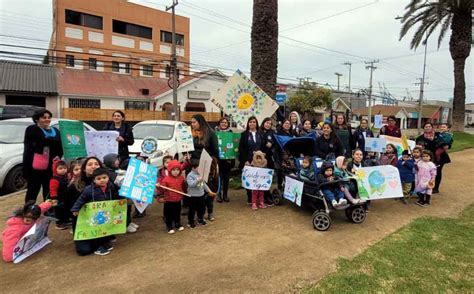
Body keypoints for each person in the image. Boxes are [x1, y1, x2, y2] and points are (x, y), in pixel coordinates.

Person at [71, 168, 119, 256]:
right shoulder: (89, 190)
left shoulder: (110, 186)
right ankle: (98, 247)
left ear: (108, 177)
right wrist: (75, 209)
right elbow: (81, 199)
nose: (102, 180)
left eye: (104, 177)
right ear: (94, 180)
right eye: (99, 179)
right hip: (93, 214)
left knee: (105, 229)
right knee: (96, 230)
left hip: (106, 212)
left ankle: (104, 243)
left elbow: (115, 195)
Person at [23, 109, 63, 203]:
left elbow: (60, 145)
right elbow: (41, 142)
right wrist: (52, 139)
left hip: (50, 166)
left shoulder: (55, 130)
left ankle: (47, 209)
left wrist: (58, 155)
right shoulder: (32, 129)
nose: (47, 119)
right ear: (37, 119)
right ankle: (29, 210)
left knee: (49, 189)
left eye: (49, 117)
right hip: (34, 167)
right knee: (33, 189)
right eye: (44, 117)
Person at [103, 153, 138, 233]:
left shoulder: (116, 169)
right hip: (118, 195)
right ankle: (125, 225)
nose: (117, 161)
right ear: (109, 161)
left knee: (128, 208)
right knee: (123, 210)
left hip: (124, 193)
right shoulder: (109, 172)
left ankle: (129, 222)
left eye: (117, 159)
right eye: (115, 160)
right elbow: (120, 181)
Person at [66, 157, 103, 234]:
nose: (93, 166)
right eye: (90, 164)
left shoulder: (106, 182)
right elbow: (70, 206)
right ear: (84, 169)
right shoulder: (75, 185)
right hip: (82, 221)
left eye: (96, 164)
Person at [416, 122, 451, 193]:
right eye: (426, 127)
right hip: (427, 158)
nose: (428, 128)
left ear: (432, 127)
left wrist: (448, 146)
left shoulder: (439, 135)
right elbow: (418, 148)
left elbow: (448, 142)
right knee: (426, 172)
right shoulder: (420, 138)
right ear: (424, 128)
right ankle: (426, 186)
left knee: (437, 172)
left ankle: (435, 188)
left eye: (429, 126)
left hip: (440, 157)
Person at [156, 160, 186, 234]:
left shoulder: (181, 178)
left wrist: (184, 193)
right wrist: (159, 186)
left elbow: (183, 187)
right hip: (169, 200)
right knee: (168, 214)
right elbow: (162, 189)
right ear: (170, 170)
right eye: (173, 170)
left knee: (177, 212)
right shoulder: (166, 179)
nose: (176, 172)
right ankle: (169, 226)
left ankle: (177, 223)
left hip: (178, 199)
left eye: (177, 170)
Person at [239, 116, 264, 204]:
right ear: (248, 123)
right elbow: (241, 149)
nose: (252, 123)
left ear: (256, 123)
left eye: (254, 122)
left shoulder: (261, 133)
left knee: (258, 179)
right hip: (248, 160)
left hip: (259, 161)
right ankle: (250, 197)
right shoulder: (244, 134)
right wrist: (245, 160)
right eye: (250, 122)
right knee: (249, 179)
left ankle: (258, 197)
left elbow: (263, 146)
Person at [186, 159, 216, 228]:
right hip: (192, 196)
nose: (200, 169)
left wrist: (209, 191)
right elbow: (191, 185)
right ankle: (191, 221)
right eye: (198, 167)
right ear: (193, 168)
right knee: (192, 209)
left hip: (201, 195)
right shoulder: (190, 175)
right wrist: (197, 180)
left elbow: (203, 184)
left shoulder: (200, 174)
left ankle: (200, 219)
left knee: (201, 208)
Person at [216, 117, 234, 203]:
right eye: (222, 122)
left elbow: (234, 146)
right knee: (219, 177)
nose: (224, 124)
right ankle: (218, 194)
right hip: (218, 160)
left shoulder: (231, 133)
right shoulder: (215, 133)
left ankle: (225, 194)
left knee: (226, 178)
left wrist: (232, 159)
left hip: (228, 160)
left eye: (226, 123)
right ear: (219, 123)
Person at [49, 159, 70, 230]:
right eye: (60, 168)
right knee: (58, 211)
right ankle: (59, 223)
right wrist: (54, 199)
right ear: (55, 169)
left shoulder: (64, 177)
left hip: (65, 197)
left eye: (65, 168)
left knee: (65, 209)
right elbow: (53, 190)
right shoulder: (54, 180)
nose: (63, 170)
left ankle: (65, 220)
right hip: (57, 199)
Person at [260, 117, 276, 205]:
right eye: (267, 123)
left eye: (270, 123)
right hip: (260, 158)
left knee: (268, 177)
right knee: (261, 177)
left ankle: (267, 194)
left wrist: (271, 144)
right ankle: (262, 195)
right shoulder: (259, 131)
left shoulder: (272, 132)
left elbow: (274, 143)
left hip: (269, 158)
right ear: (263, 123)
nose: (268, 125)